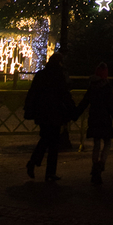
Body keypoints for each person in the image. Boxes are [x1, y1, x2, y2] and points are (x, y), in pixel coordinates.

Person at [24, 52, 75, 181]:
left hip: (42, 113)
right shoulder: (58, 76)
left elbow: (33, 93)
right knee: (52, 143)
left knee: (46, 139)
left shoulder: (41, 75)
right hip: (55, 113)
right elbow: (65, 95)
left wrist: (30, 109)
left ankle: (34, 162)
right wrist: (73, 110)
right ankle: (48, 171)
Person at [74, 62, 113, 185]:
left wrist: (75, 114)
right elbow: (112, 107)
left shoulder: (92, 87)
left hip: (94, 118)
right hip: (105, 119)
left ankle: (95, 165)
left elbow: (84, 102)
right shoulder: (106, 88)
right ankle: (101, 163)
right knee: (107, 142)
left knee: (96, 143)